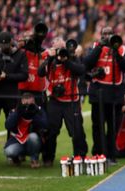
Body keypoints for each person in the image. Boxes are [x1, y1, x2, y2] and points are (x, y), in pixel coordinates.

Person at [83, 26, 125, 164]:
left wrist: (116, 53)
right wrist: (99, 48)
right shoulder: (95, 46)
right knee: (97, 126)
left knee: (113, 127)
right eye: (104, 34)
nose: (107, 36)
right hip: (97, 94)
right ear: (101, 36)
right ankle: (98, 153)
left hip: (115, 95)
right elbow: (86, 64)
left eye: (110, 34)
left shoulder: (122, 49)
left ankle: (111, 154)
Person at [38, 37, 88, 166]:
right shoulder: (49, 60)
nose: (60, 51)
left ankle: (80, 156)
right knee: (50, 131)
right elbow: (40, 73)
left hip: (72, 100)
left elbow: (81, 70)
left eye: (62, 48)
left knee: (77, 131)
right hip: (55, 100)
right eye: (57, 48)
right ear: (52, 48)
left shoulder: (72, 58)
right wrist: (50, 58)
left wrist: (66, 61)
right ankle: (48, 158)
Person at [0, 31, 28, 151]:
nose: (3, 49)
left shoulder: (20, 55)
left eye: (6, 46)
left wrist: (6, 76)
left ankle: (11, 150)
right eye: (1, 46)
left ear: (11, 44)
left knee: (12, 124)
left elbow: (24, 75)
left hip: (11, 95)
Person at [4, 93, 47, 168]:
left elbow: (45, 125)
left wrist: (34, 114)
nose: (27, 107)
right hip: (18, 141)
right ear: (21, 102)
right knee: (9, 151)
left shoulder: (39, 110)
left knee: (33, 137)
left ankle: (34, 159)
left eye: (30, 104)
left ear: (34, 102)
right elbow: (8, 126)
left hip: (33, 143)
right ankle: (16, 158)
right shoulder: (15, 111)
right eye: (25, 104)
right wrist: (18, 112)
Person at [18, 22, 49, 108]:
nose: (29, 38)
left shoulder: (43, 52)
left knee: (42, 118)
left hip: (38, 90)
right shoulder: (20, 51)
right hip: (23, 89)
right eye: (26, 36)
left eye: (30, 35)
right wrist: (22, 45)